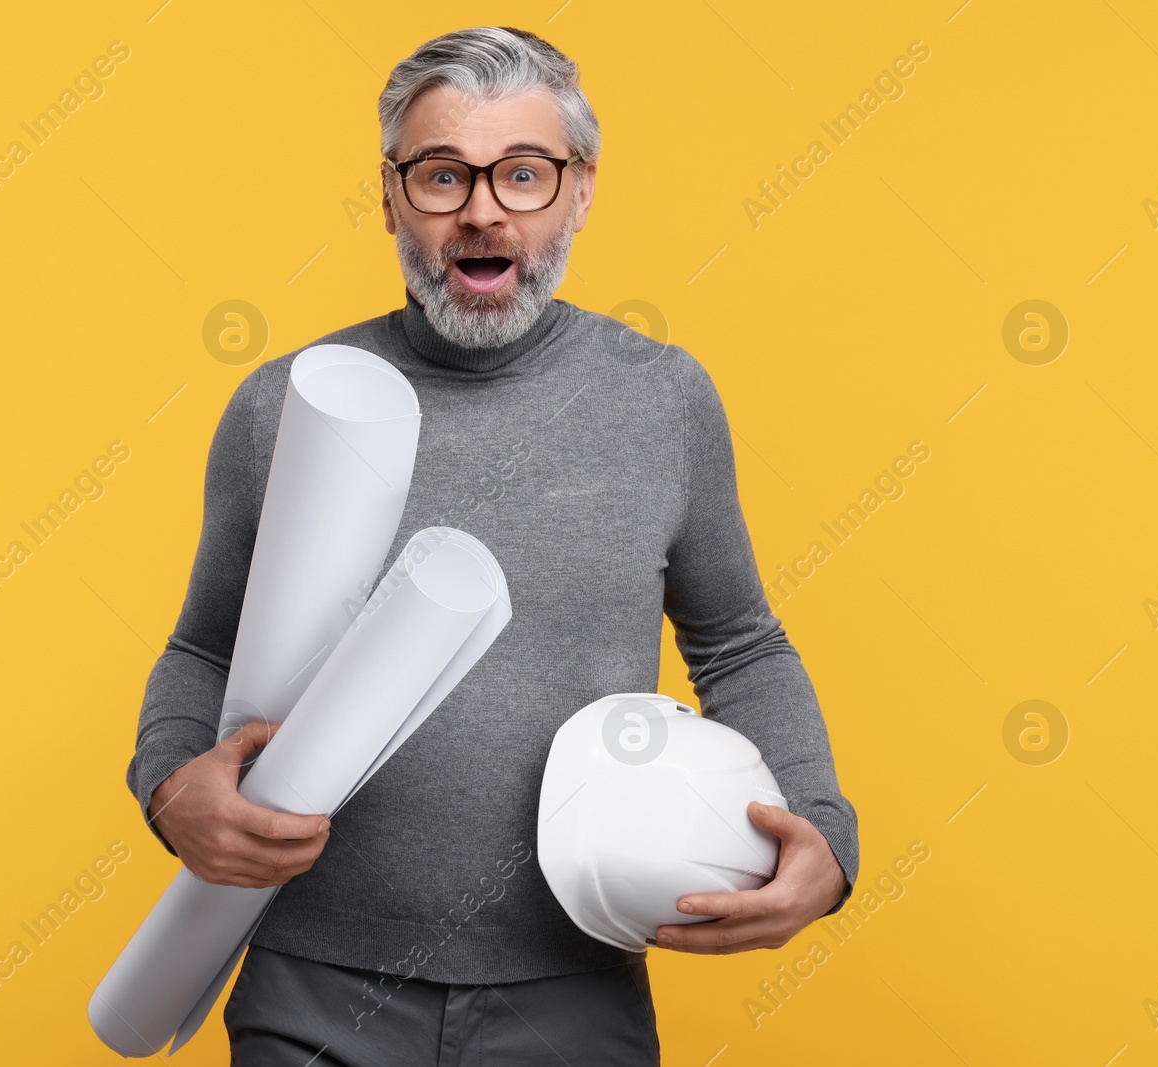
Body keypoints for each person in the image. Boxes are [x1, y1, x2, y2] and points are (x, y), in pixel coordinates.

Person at [126, 25, 859, 1066]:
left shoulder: (663, 400)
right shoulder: (288, 405)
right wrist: (168, 781)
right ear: (388, 199)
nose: (481, 209)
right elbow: (203, 647)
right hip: (312, 987)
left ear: (578, 192)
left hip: (573, 992)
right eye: (441, 176)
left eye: (522, 174)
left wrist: (823, 832)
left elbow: (739, 643)